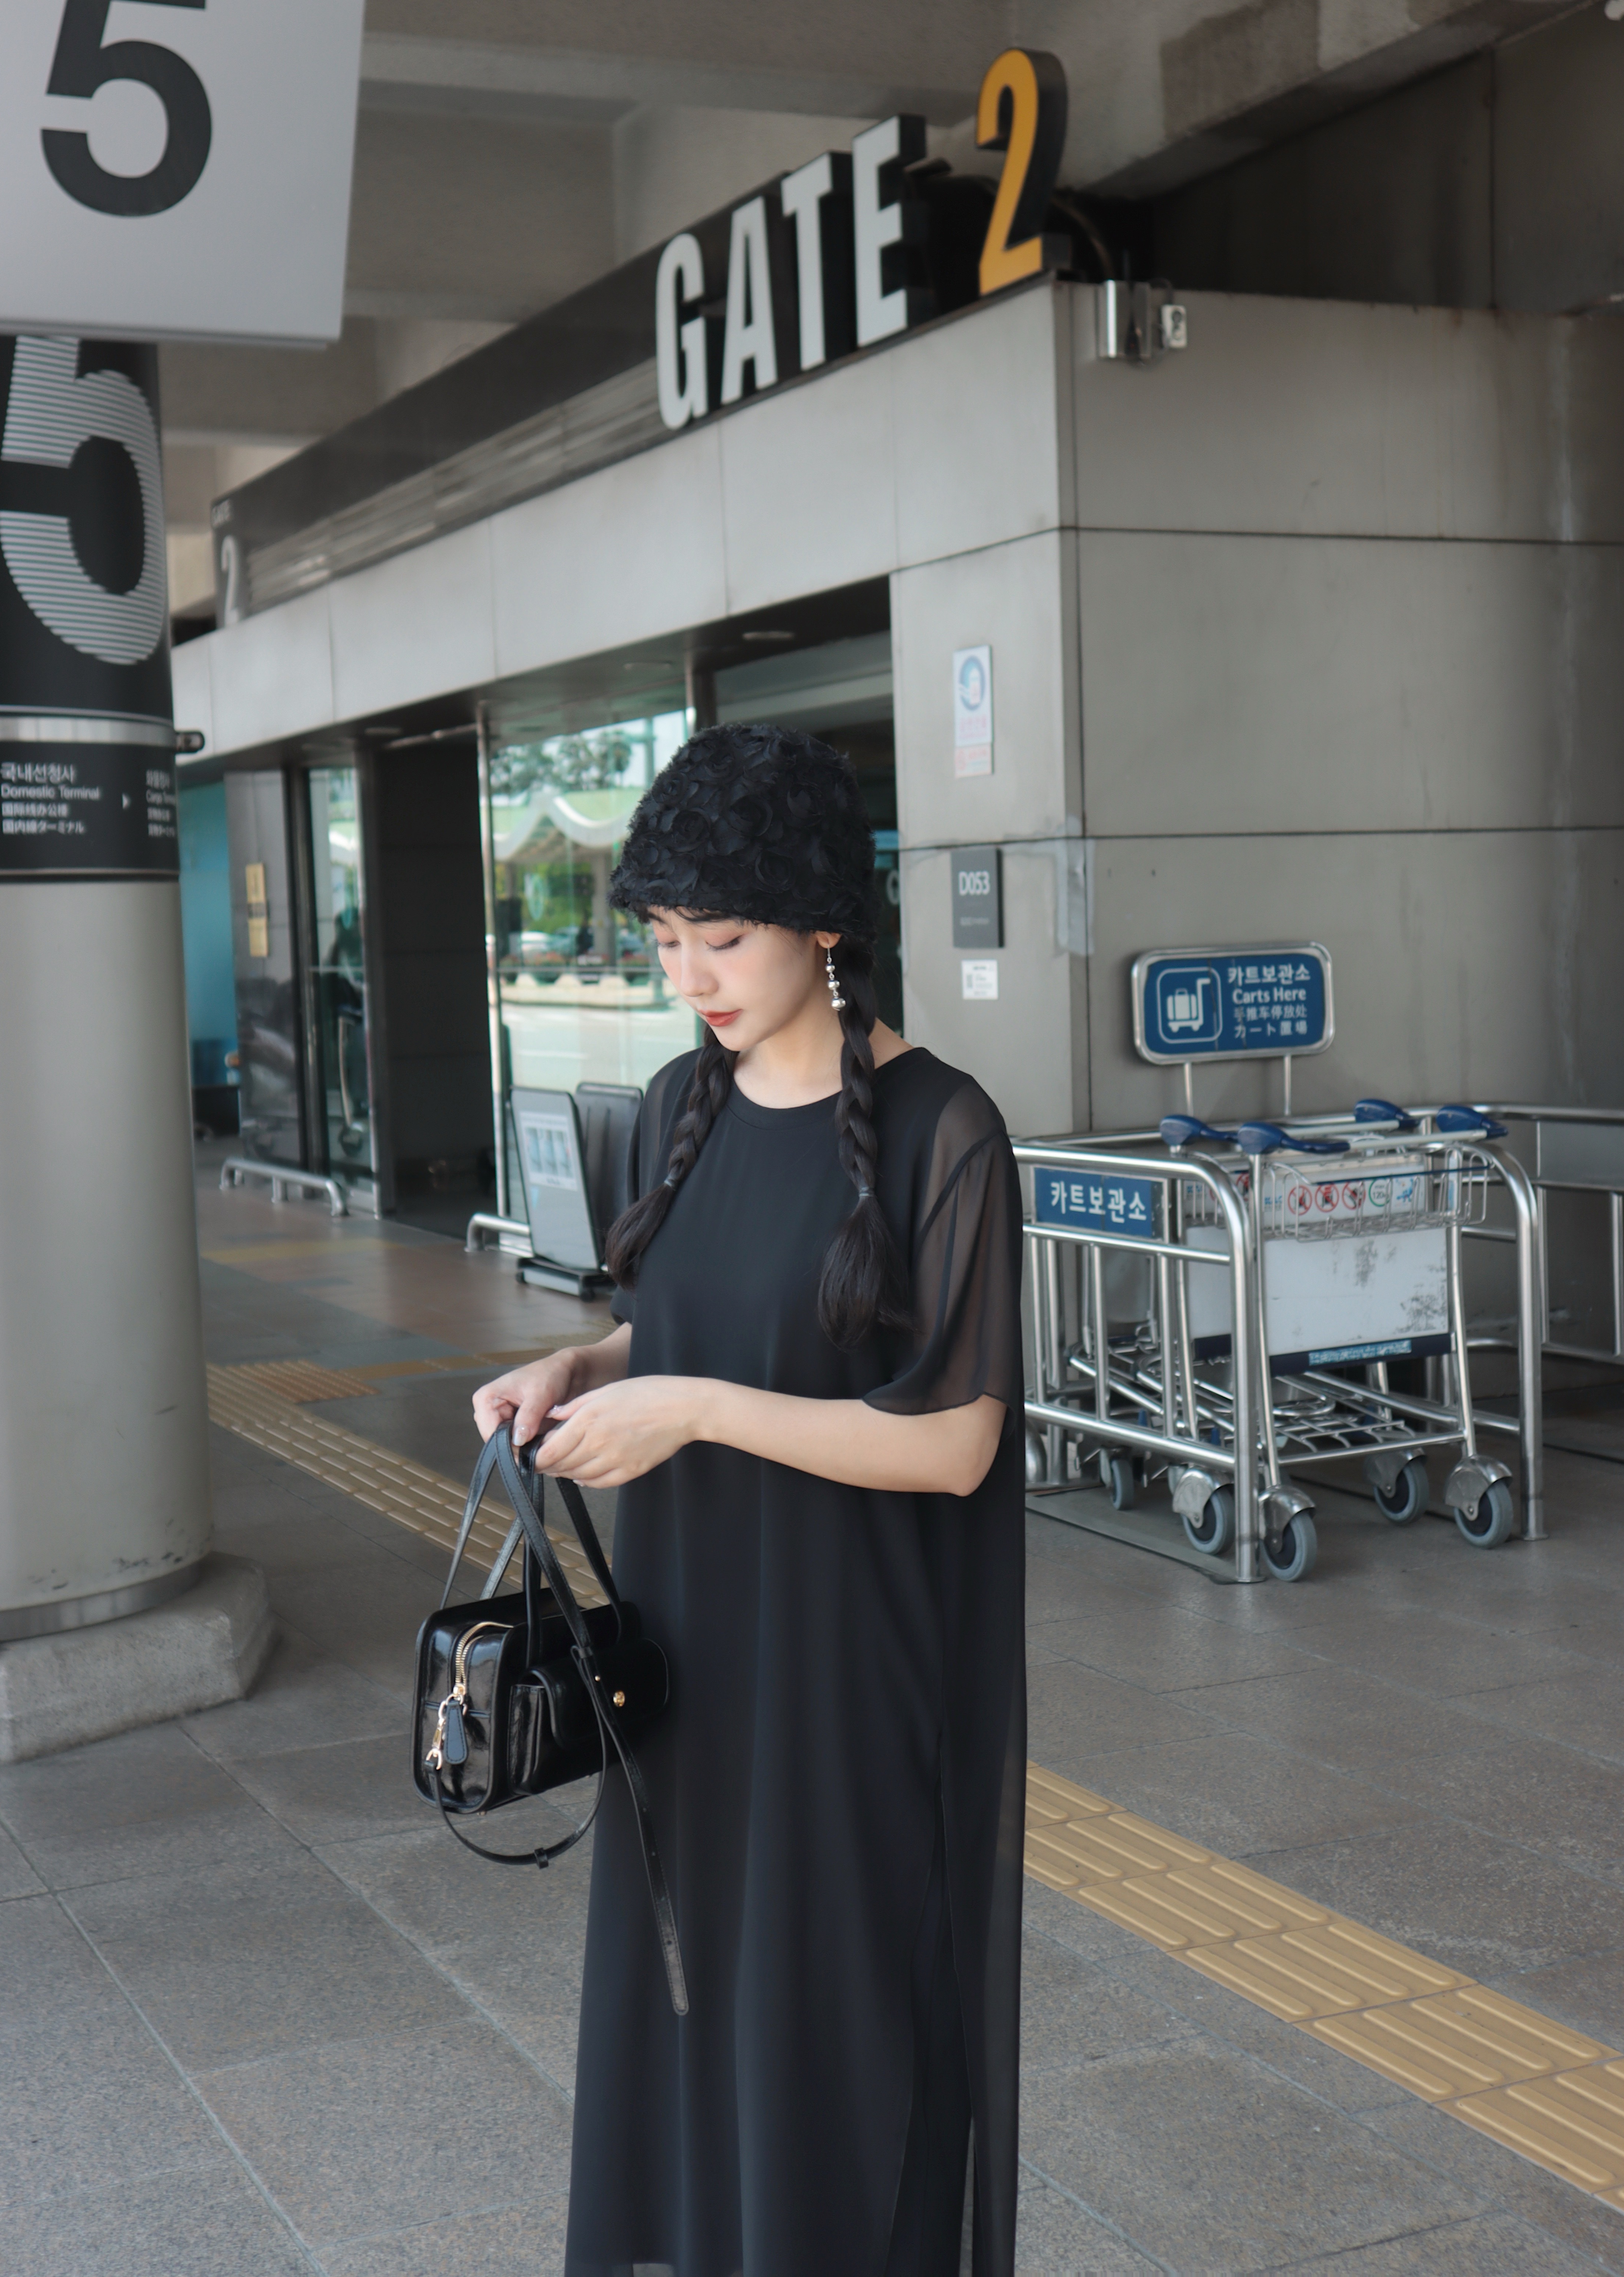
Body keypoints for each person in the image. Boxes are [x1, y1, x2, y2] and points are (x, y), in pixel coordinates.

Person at [474, 724, 1025, 2277]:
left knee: (835, 2030)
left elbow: (955, 1442)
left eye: (719, 937)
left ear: (822, 921)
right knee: (695, 2006)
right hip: (687, 1659)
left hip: (850, 1670)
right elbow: (690, 1327)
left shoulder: (944, 1130)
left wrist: (697, 1410)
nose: (688, 976)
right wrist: (577, 1367)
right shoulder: (679, 1101)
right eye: (663, 939)